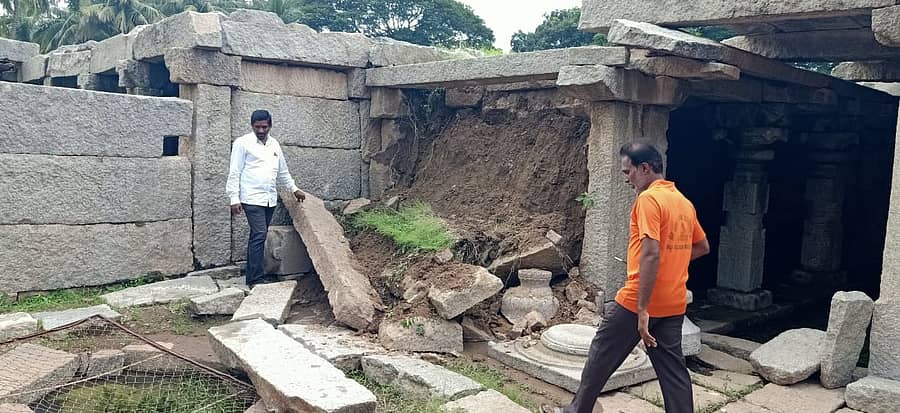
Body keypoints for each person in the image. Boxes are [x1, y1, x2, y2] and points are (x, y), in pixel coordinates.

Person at [543, 143, 710, 413]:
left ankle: (577, 411)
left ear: (644, 168)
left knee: (601, 354)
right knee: (673, 372)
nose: (626, 178)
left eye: (628, 171)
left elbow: (651, 253)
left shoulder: (648, 200)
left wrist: (643, 309)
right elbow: (702, 247)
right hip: (674, 302)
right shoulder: (683, 202)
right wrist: (673, 262)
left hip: (637, 301)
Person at [226, 109, 306, 287]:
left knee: (258, 236)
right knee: (260, 234)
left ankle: (256, 273)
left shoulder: (274, 144)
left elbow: (282, 172)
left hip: (269, 199)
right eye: (257, 127)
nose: (261, 131)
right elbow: (234, 172)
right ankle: (254, 278)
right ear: (252, 126)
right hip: (250, 197)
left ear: (270, 125)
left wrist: (294, 189)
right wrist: (234, 198)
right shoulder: (243, 143)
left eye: (264, 127)